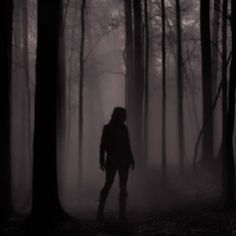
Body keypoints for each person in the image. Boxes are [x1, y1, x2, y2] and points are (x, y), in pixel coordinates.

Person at [97, 107, 135, 221]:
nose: (125, 117)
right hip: (113, 160)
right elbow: (103, 146)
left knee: (122, 187)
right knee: (109, 185)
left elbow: (127, 145)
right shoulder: (108, 128)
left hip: (123, 161)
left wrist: (132, 159)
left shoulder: (123, 128)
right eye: (124, 115)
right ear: (119, 116)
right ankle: (100, 211)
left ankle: (121, 214)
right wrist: (101, 161)